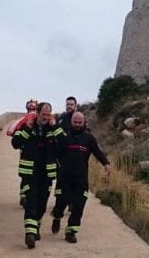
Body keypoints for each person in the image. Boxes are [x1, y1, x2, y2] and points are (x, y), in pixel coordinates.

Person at [11, 102, 66, 249]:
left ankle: (36, 226)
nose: (45, 117)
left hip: (47, 174)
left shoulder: (54, 128)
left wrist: (55, 127)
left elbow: (65, 144)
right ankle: (30, 233)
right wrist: (27, 129)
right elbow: (15, 143)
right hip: (30, 172)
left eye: (48, 115)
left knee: (42, 203)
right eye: (43, 114)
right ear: (37, 113)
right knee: (31, 201)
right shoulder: (27, 126)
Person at [50, 111, 111, 243]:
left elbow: (98, 152)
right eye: (75, 122)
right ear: (71, 122)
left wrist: (106, 164)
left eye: (80, 122)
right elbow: (54, 154)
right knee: (61, 204)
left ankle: (71, 232)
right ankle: (57, 217)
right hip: (65, 178)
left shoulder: (89, 138)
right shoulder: (65, 138)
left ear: (84, 123)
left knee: (79, 205)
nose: (77, 125)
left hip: (81, 178)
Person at [9, 98, 39, 206]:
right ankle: (24, 196)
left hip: (32, 154)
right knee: (26, 177)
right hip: (27, 153)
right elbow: (15, 138)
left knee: (27, 177)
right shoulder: (24, 122)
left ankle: (24, 196)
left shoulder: (28, 121)